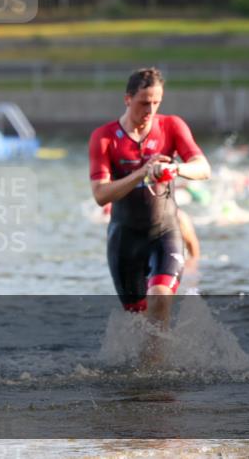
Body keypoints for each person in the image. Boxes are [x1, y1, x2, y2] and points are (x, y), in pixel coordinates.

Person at [88, 68, 211, 329]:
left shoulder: (172, 126)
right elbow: (101, 195)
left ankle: (161, 368)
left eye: (156, 103)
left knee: (160, 298)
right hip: (125, 241)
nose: (150, 110)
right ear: (127, 99)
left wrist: (177, 169)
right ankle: (149, 365)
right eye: (144, 103)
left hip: (163, 233)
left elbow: (203, 168)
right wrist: (141, 174)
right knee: (138, 323)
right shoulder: (105, 137)